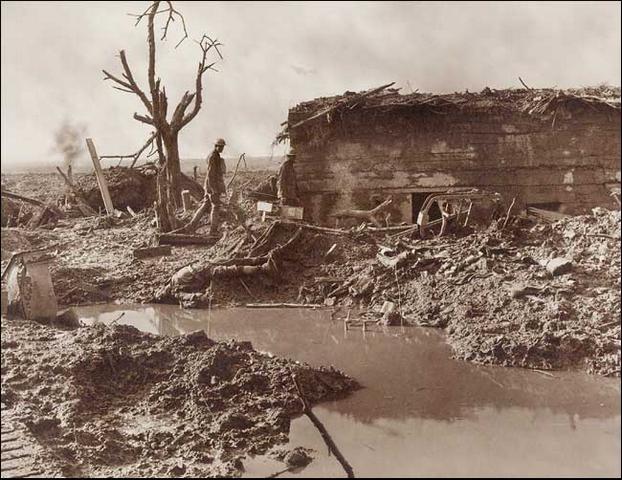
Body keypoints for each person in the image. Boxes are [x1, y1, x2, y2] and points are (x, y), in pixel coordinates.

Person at [180, 138, 227, 235]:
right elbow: (210, 174)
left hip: (209, 185)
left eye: (223, 147)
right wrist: (214, 189)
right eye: (220, 146)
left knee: (205, 205)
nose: (222, 148)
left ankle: (191, 226)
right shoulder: (214, 157)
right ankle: (213, 230)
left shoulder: (214, 155)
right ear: (216, 146)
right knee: (215, 207)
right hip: (212, 185)